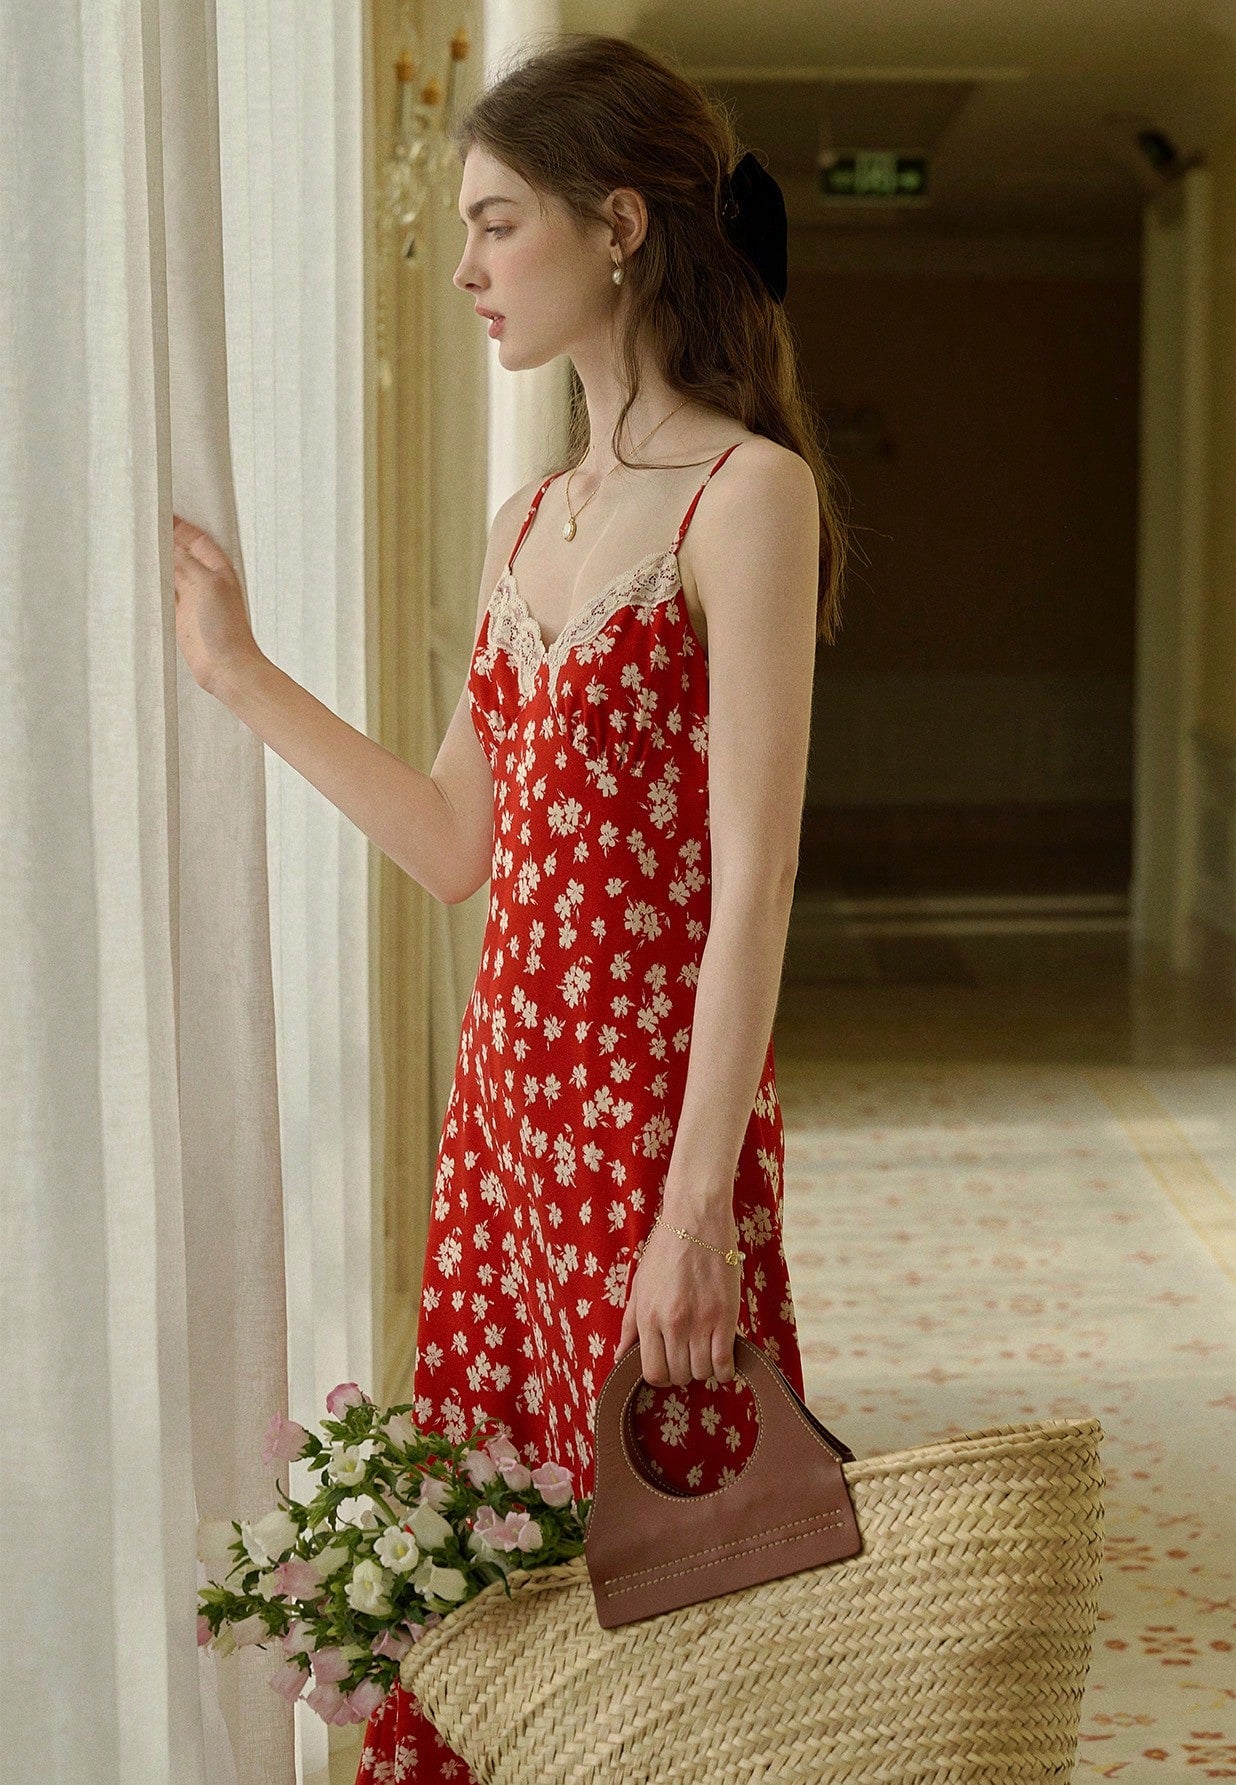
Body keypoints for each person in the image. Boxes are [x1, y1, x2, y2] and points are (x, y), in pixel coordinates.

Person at [172, 29, 846, 1785]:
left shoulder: (748, 496)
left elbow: (757, 879)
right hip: (506, 1134)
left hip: (650, 1135)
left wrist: (694, 1206)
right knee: (504, 1601)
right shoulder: (527, 518)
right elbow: (457, 841)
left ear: (617, 226)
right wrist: (240, 672)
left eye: (496, 224)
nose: (467, 268)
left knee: (676, 1599)